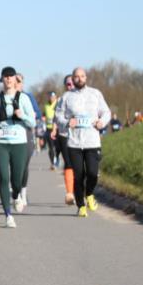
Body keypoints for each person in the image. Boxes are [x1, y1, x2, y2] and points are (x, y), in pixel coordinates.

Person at [0, 67, 36, 228]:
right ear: (2, 79)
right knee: (4, 178)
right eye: (5, 77)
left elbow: (32, 123)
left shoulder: (24, 99)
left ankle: (16, 195)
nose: (8, 79)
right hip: (0, 143)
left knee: (16, 180)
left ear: (15, 79)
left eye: (11, 77)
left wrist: (23, 116)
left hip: (19, 143)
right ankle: (8, 215)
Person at [58, 67, 111, 217]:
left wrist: (102, 122)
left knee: (93, 173)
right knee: (79, 175)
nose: (79, 79)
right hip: (74, 142)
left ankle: (90, 194)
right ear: (73, 79)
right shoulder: (67, 96)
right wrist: (68, 122)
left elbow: (106, 112)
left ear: (86, 78)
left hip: (92, 140)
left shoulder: (95, 94)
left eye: (82, 76)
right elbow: (59, 115)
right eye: (76, 76)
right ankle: (81, 206)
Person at [15, 72, 42, 207]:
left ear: (22, 83)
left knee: (24, 165)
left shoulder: (28, 96)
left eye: (19, 81)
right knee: (14, 166)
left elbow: (37, 114)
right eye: (14, 80)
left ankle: (23, 192)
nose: (16, 83)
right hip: (11, 135)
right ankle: (16, 192)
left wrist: (25, 114)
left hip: (26, 133)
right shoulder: (4, 96)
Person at [50, 75, 76, 204]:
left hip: (84, 137)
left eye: (72, 83)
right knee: (69, 163)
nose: (70, 86)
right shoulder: (62, 99)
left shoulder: (86, 97)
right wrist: (54, 129)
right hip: (65, 135)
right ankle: (70, 193)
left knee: (82, 165)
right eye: (68, 84)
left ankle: (81, 191)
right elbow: (56, 116)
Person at [43, 91, 59, 170]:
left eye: (53, 97)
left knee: (58, 147)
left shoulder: (58, 103)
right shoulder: (46, 105)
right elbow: (44, 114)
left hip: (57, 128)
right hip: (48, 128)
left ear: (56, 97)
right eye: (50, 97)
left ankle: (57, 161)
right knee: (51, 147)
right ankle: (53, 163)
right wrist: (43, 117)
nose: (52, 98)